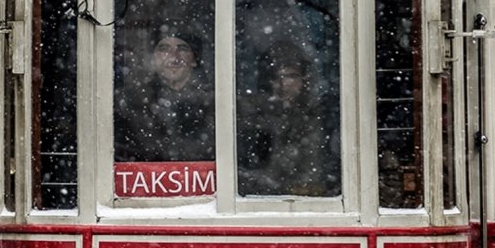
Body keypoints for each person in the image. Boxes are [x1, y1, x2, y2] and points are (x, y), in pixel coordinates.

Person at [237, 41, 335, 196]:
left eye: (291, 76)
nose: (284, 85)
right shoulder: (251, 115)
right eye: (276, 78)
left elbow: (314, 171)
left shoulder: (318, 115)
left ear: (304, 79)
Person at [114, 28, 215, 162]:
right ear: (154, 59)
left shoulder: (214, 100)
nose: (174, 57)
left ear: (194, 59)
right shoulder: (130, 101)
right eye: (164, 49)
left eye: (183, 49)